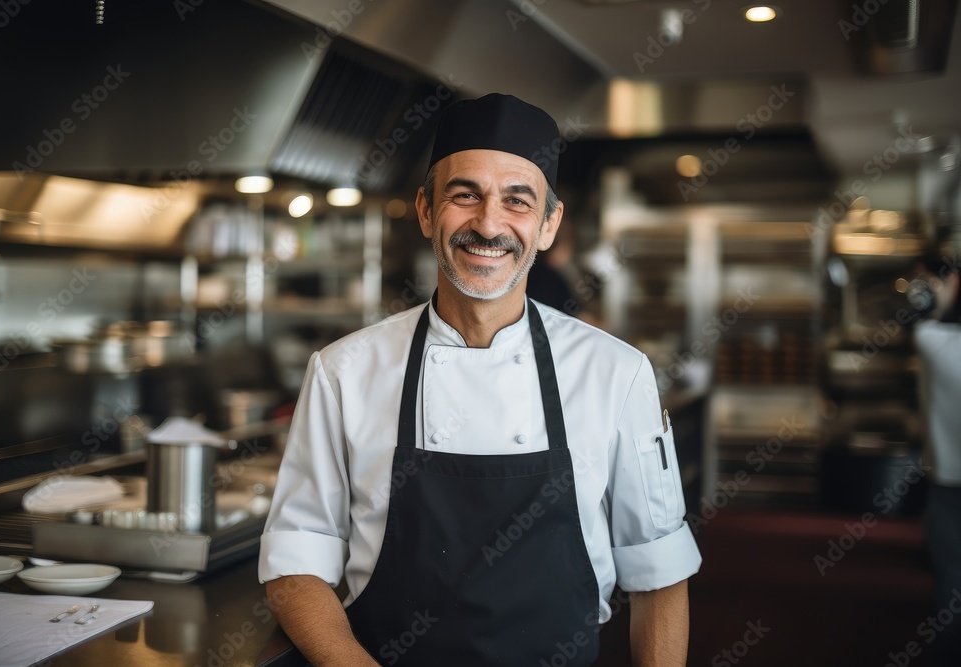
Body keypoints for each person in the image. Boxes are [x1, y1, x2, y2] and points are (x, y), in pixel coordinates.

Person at [258, 93, 701, 666]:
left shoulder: (616, 373)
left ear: (548, 224)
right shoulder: (343, 371)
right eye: (464, 195)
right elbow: (295, 564)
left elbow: (658, 573)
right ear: (425, 211)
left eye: (517, 200)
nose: (489, 224)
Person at [911, 251, 961, 667]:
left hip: (947, 484)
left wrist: (936, 295)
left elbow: (923, 315)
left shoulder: (932, 341)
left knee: (951, 582)